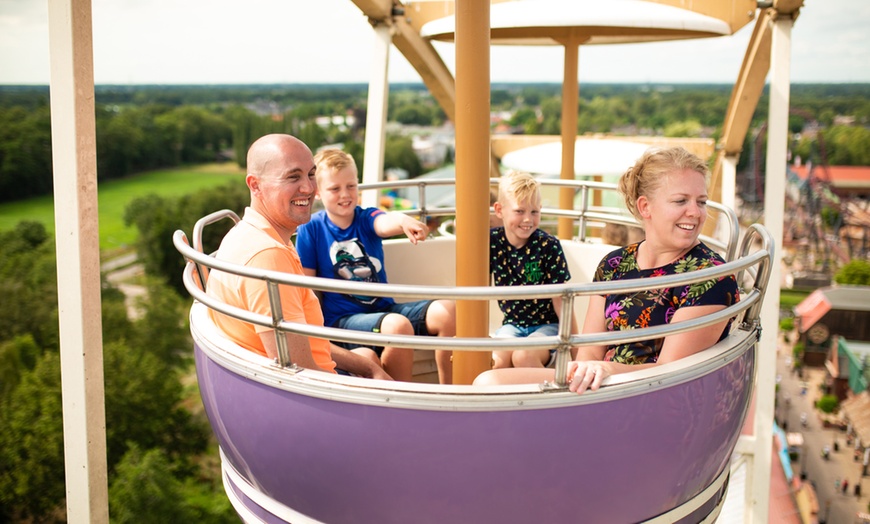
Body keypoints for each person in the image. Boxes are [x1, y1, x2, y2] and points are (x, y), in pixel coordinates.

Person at [474, 147, 739, 392]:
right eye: (681, 201)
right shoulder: (614, 264)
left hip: (646, 395)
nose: (696, 212)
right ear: (645, 207)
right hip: (596, 383)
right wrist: (587, 372)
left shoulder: (711, 277)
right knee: (488, 382)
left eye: (701, 202)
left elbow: (669, 373)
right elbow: (589, 352)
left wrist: (604, 369)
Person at [206, 134, 391, 380]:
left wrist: (369, 368)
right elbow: (303, 376)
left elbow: (307, 341)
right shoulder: (268, 257)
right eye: (293, 177)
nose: (309, 188)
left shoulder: (250, 235)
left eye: (311, 174)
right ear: (255, 185)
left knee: (368, 358)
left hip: (304, 376)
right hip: (317, 395)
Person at [296, 148, 455, 383]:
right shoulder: (311, 229)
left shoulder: (365, 217)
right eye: (335, 188)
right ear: (318, 192)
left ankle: (450, 392)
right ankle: (403, 402)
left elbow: (383, 222)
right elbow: (306, 289)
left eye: (351, 186)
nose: (345, 194)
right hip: (344, 321)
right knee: (398, 326)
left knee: (448, 311)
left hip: (383, 311)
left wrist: (402, 221)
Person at [489, 170, 577, 368]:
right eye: (520, 211)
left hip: (548, 326)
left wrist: (577, 352)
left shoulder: (548, 246)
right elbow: (478, 286)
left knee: (524, 356)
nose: (528, 219)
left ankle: (543, 398)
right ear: (499, 209)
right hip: (512, 324)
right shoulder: (492, 243)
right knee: (497, 361)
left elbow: (562, 301)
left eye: (534, 212)